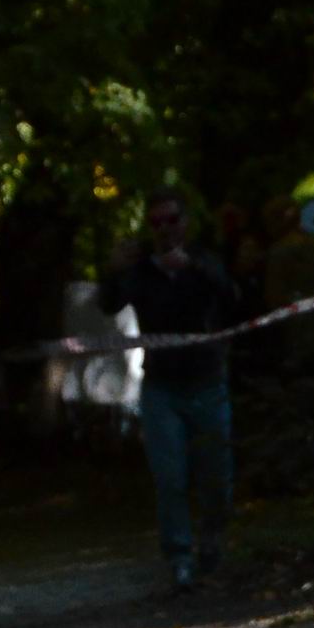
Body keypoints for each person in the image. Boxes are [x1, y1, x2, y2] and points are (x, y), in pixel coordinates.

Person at [100, 189, 240, 590]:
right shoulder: (141, 269)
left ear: (186, 222)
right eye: (156, 222)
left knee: (216, 473)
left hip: (208, 382)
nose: (165, 229)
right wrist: (113, 269)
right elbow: (109, 303)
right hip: (161, 387)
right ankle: (179, 557)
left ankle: (212, 540)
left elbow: (233, 299)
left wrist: (196, 268)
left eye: (172, 220)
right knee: (169, 476)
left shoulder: (205, 260)